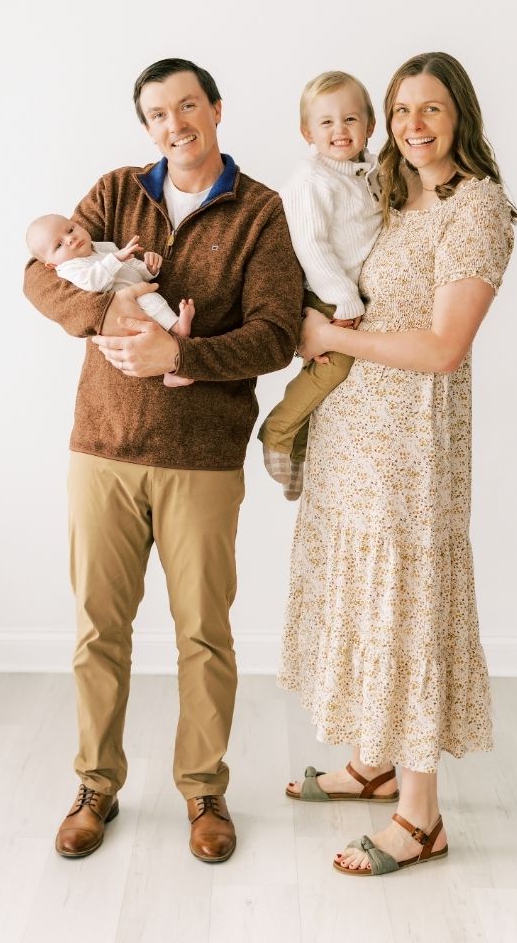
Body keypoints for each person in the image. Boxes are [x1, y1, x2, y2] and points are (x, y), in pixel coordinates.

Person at [23, 58, 304, 862]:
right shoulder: (116, 191)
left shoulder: (260, 211)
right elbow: (39, 278)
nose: (174, 124)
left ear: (215, 109)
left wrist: (181, 356)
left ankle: (203, 791)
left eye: (187, 106)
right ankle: (95, 786)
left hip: (202, 457)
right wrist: (108, 310)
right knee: (98, 629)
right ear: (146, 126)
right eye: (157, 113)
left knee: (204, 634)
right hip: (103, 449)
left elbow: (276, 333)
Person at [277, 51, 517, 877]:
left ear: (461, 117)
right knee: (361, 597)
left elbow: (446, 346)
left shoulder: (475, 208)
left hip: (413, 446)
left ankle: (421, 817)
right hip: (354, 435)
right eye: (402, 109)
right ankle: (373, 763)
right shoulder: (387, 191)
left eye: (432, 109)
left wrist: (332, 338)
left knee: (405, 606)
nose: (414, 125)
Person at [257, 70, 381, 499]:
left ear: (370, 125)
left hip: (348, 291)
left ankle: (299, 454)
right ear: (307, 132)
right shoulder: (311, 181)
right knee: (335, 366)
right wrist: (344, 299)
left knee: (337, 381)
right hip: (327, 292)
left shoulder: (366, 173)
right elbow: (310, 244)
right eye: (326, 122)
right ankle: (277, 432)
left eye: (350, 119)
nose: (339, 130)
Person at [26, 215, 196, 386]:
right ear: (52, 265)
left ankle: (173, 361)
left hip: (137, 292)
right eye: (58, 245)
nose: (70, 239)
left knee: (153, 305)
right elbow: (93, 282)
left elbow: (130, 267)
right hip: (124, 311)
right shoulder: (70, 267)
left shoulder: (101, 247)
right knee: (147, 326)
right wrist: (116, 258)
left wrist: (148, 269)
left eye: (70, 229)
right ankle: (178, 331)